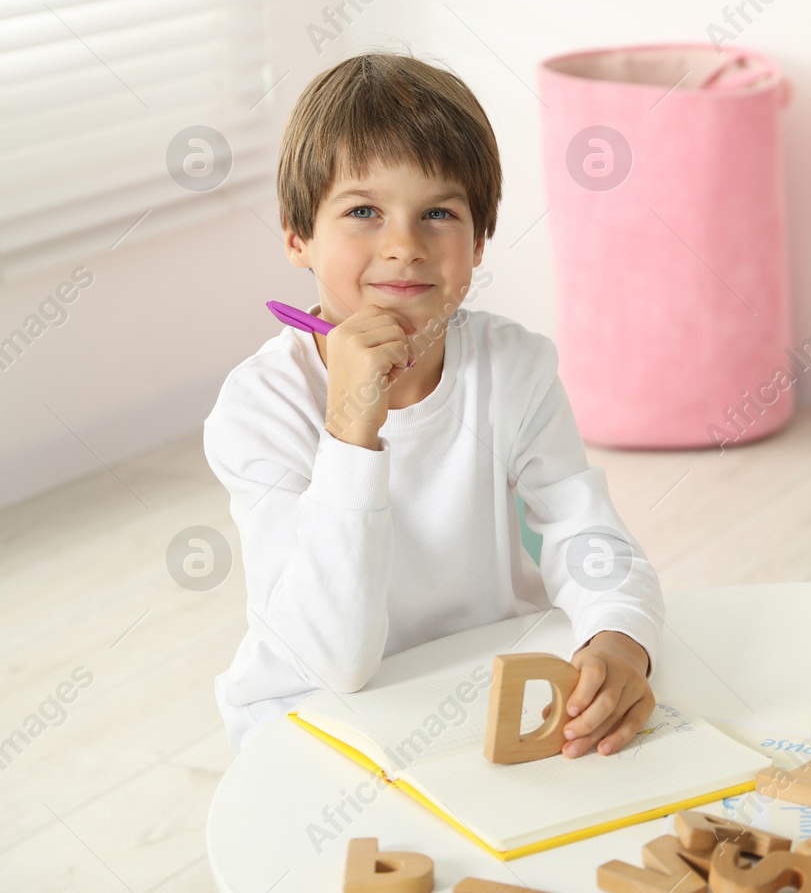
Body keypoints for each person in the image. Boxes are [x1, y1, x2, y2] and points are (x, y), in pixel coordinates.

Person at [207, 53, 663, 754]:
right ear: (298, 236)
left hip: (468, 688)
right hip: (311, 711)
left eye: (438, 214)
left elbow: (587, 533)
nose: (404, 246)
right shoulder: (259, 405)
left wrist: (620, 637)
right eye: (363, 211)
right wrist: (351, 426)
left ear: (478, 242)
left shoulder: (515, 366)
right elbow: (334, 660)